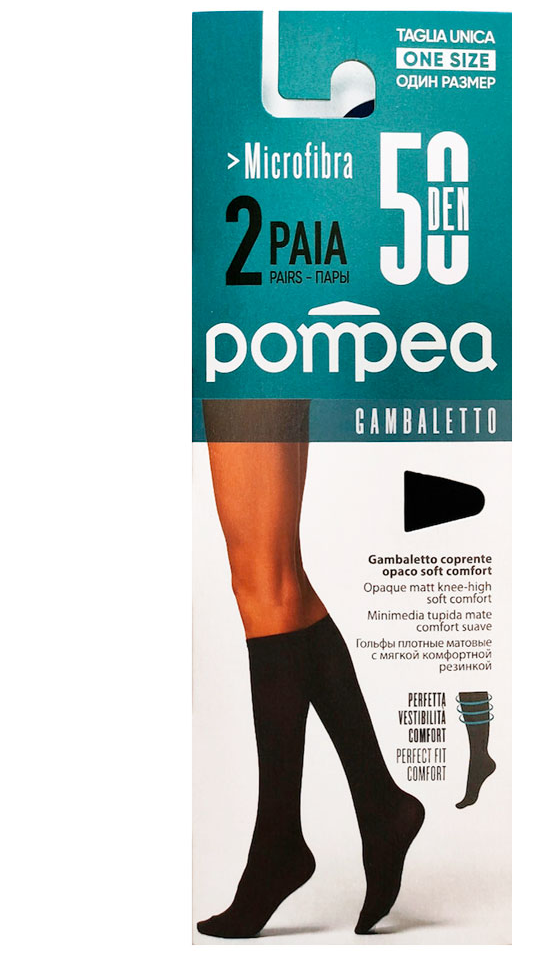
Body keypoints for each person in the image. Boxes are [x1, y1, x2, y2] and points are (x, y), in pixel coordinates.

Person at [196, 400, 424, 938]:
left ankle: (281, 842)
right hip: (266, 352)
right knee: (281, 579)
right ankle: (378, 807)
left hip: (249, 353)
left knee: (264, 582)